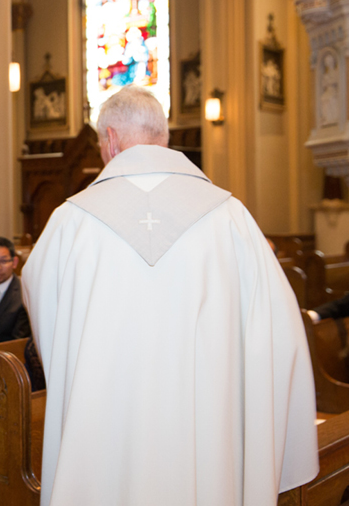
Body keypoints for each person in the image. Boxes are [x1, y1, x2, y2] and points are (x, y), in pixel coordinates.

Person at [22, 86, 318, 505]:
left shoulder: (71, 220)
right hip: (208, 438)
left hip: (105, 432)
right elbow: (278, 330)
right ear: (164, 137)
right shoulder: (230, 215)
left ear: (109, 139)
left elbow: (46, 317)